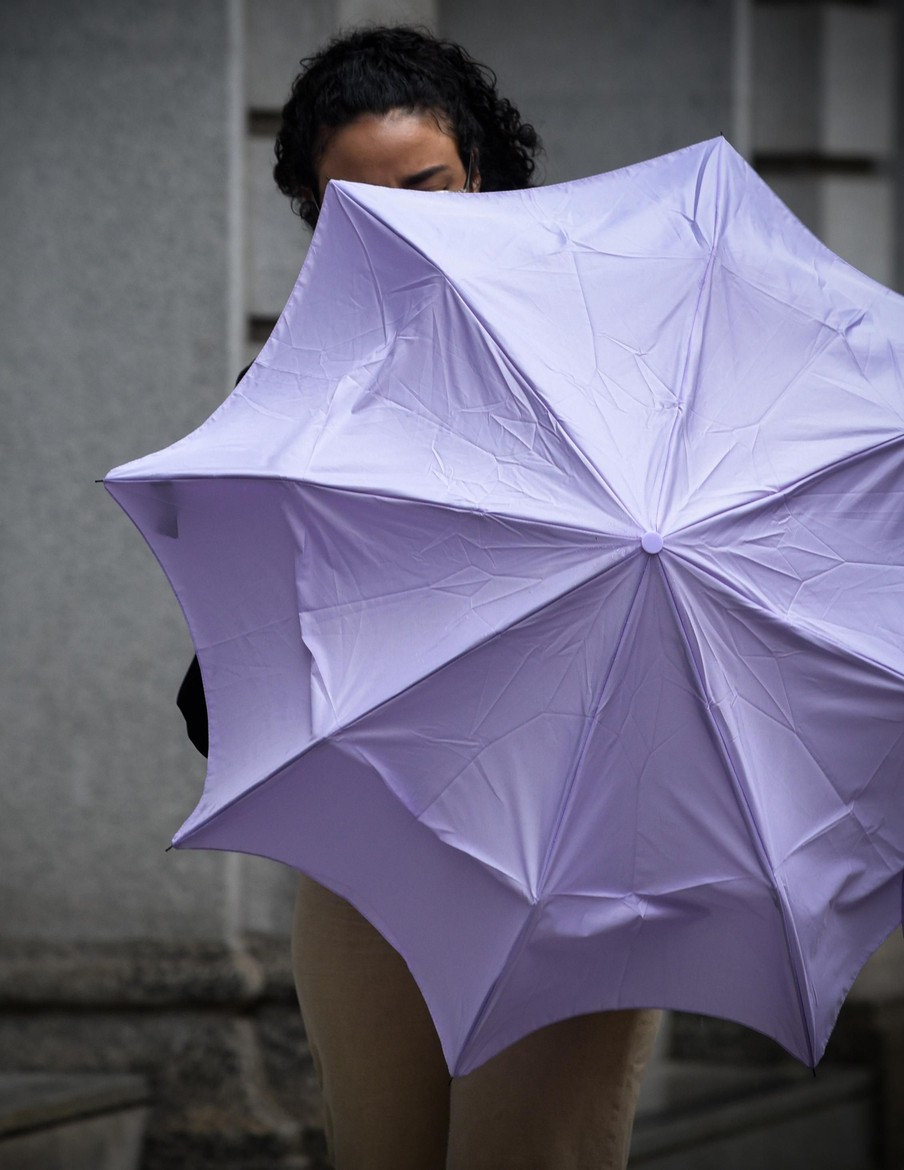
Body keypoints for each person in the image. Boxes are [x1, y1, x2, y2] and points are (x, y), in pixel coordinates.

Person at [178, 27, 661, 1170]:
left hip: (570, 851)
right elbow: (230, 675)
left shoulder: (598, 346)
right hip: (373, 852)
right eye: (357, 197)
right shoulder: (289, 388)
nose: (400, 222)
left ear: (479, 173)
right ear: (308, 202)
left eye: (426, 186)